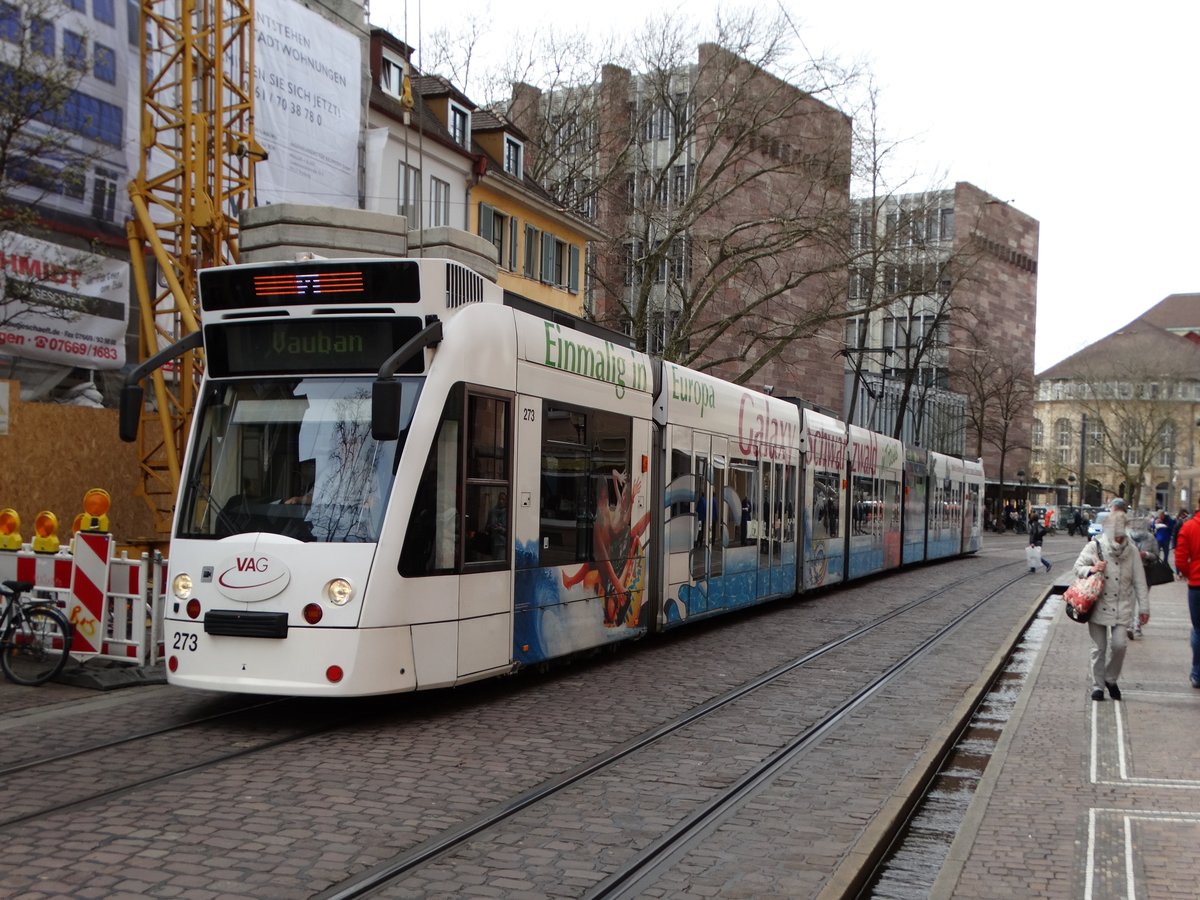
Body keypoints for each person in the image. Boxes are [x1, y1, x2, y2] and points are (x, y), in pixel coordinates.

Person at [1073, 509, 1150, 701]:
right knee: (1098, 648)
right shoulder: (1095, 546)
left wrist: (1144, 608)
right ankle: (1098, 686)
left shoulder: (1132, 551)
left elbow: (1140, 581)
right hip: (1098, 603)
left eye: (1122, 536)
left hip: (1122, 604)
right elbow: (1077, 568)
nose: (1119, 540)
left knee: (1119, 645)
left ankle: (1110, 678)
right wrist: (1092, 569)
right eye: (1116, 536)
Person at [1173, 509, 1200, 690]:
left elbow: (1180, 558)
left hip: (1197, 585)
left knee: (1198, 629)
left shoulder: (1189, 527)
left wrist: (1191, 573)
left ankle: (1197, 673)